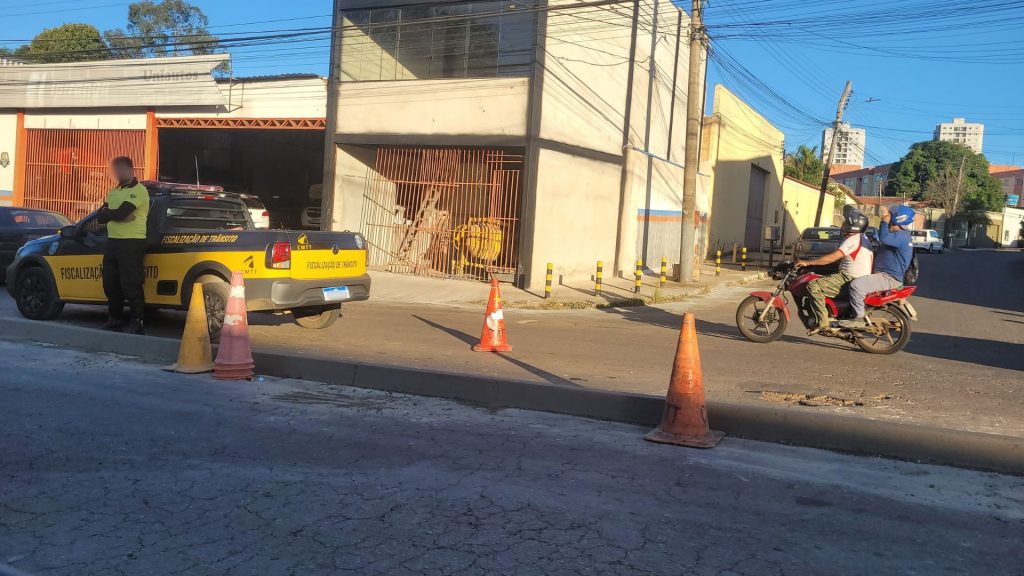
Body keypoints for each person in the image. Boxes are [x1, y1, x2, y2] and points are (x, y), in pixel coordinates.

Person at [796, 209, 873, 334]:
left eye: (845, 222)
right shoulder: (863, 238)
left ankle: (822, 323)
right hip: (857, 278)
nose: (843, 225)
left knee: (813, 286)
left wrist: (808, 262)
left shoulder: (852, 240)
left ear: (852, 225)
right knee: (821, 277)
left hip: (848, 278)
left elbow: (833, 257)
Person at [838, 205, 915, 329]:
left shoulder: (901, 236)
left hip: (888, 278)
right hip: (884, 275)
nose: (887, 216)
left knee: (856, 286)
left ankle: (858, 318)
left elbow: (883, 238)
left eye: (890, 215)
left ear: (898, 218)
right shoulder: (899, 236)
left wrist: (884, 222)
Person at [97, 157, 149, 334]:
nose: (117, 173)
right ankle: (114, 319)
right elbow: (100, 216)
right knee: (110, 283)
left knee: (131, 284)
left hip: (132, 242)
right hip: (113, 242)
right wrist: (114, 214)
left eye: (120, 169)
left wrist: (111, 213)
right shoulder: (114, 191)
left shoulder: (139, 190)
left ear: (130, 170)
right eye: (115, 169)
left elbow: (120, 212)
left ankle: (137, 321)